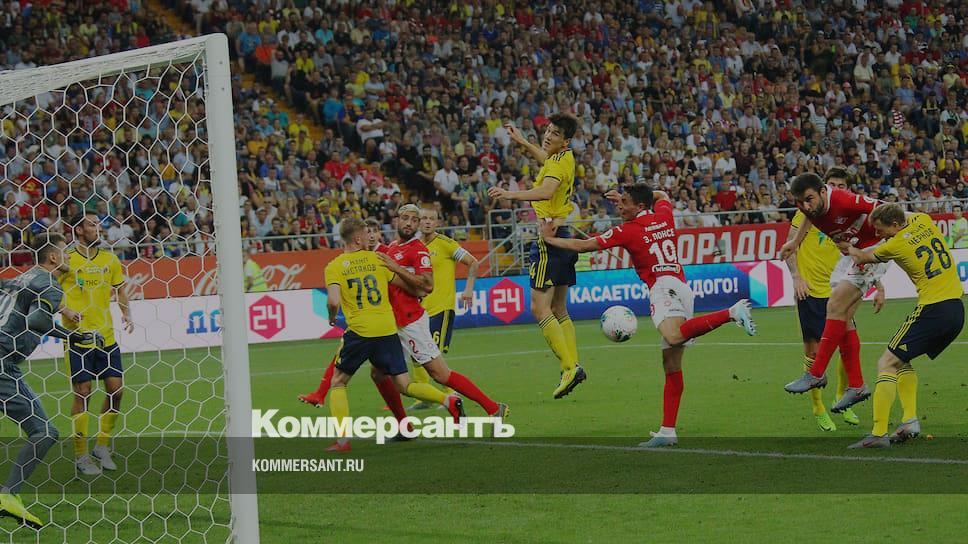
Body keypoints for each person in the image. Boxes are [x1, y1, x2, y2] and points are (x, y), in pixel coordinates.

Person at [539, 184, 756, 447]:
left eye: (625, 202)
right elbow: (662, 195)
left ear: (640, 206)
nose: (619, 206)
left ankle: (732, 312)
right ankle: (667, 431)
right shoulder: (663, 215)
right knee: (671, 364)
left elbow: (585, 245)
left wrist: (550, 240)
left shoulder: (628, 230)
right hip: (681, 287)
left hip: (662, 288)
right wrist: (634, 196)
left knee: (673, 336)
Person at [323, 218, 464, 452]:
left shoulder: (335, 266)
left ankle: (342, 441)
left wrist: (331, 316)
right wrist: (420, 292)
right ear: (357, 238)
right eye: (365, 234)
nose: (370, 237)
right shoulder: (378, 260)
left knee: (338, 382)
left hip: (360, 331)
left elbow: (333, 301)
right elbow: (405, 286)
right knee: (404, 383)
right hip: (388, 329)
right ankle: (447, 399)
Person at [0, 233, 103, 527]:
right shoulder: (49, 282)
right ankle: (8, 495)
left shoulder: (21, 279)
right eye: (65, 251)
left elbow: (26, 305)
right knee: (44, 432)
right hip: (3, 364)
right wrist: (74, 336)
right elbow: (37, 320)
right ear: (54, 257)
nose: (69, 256)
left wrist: (61, 310)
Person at [842, 204, 965, 448]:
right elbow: (901, 214)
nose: (878, 235)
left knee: (886, 363)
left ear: (896, 225)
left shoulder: (896, 244)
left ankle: (878, 434)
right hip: (956, 309)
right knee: (901, 361)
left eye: (881, 230)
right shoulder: (924, 219)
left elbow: (863, 257)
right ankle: (909, 421)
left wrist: (847, 246)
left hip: (934, 309)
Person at [378, 205, 507, 422]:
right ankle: (407, 425)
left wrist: (396, 269)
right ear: (396, 220)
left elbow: (427, 286)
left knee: (439, 374)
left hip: (412, 320)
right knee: (382, 374)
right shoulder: (391, 248)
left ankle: (490, 407)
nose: (410, 223)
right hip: (393, 322)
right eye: (405, 218)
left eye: (414, 219)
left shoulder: (421, 249)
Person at [487, 113, 585, 399]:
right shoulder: (564, 157)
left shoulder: (558, 163)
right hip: (562, 233)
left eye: (555, 134)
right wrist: (522, 141)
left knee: (540, 310)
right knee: (559, 308)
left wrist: (509, 194)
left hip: (548, 238)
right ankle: (574, 365)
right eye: (548, 131)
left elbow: (546, 191)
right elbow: (546, 159)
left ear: (565, 141)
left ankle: (568, 368)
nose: (548, 136)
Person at [780, 170, 886, 412]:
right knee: (842, 316)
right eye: (801, 203)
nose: (806, 206)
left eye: (809, 199)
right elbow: (809, 216)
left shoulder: (844, 200)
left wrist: (876, 248)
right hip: (852, 253)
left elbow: (884, 209)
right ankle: (856, 385)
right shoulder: (812, 207)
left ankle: (816, 373)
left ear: (823, 192)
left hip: (871, 250)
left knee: (836, 306)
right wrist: (795, 242)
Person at [59, 213, 134, 475]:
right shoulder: (66, 259)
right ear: (79, 230)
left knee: (117, 390)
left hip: (106, 337)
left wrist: (126, 313)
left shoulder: (109, 259)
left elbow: (120, 289)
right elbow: (48, 289)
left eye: (98, 224)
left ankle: (101, 446)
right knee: (83, 392)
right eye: (92, 224)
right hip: (78, 338)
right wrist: (65, 310)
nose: (97, 228)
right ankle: (81, 455)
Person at [406, 207, 481, 408]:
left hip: (441, 308)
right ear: (417, 222)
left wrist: (468, 289)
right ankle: (425, 396)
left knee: (432, 356)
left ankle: (451, 393)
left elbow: (473, 263)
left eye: (431, 219)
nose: (427, 222)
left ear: (437, 223)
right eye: (423, 218)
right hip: (418, 310)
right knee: (416, 353)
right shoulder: (413, 246)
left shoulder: (447, 244)